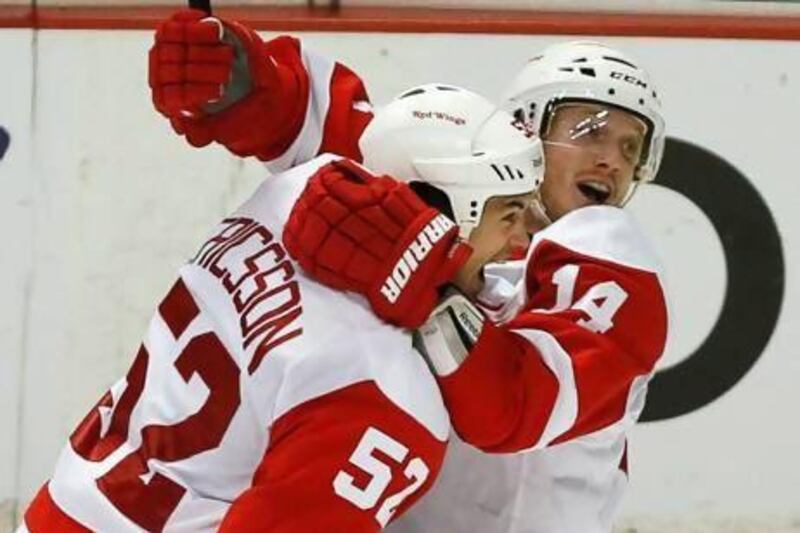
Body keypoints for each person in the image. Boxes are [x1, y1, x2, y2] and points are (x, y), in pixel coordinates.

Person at [148, 10, 669, 532]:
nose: (612, 161)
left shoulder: (615, 262)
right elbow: (369, 142)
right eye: (590, 131)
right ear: (529, 128)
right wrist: (246, 85)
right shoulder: (457, 208)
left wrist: (421, 278)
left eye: (631, 147)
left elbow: (511, 404)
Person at [17, 86, 545, 532]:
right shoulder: (386, 394)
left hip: (61, 509)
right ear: (444, 207)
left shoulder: (292, 194)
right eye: (509, 213)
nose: (522, 240)